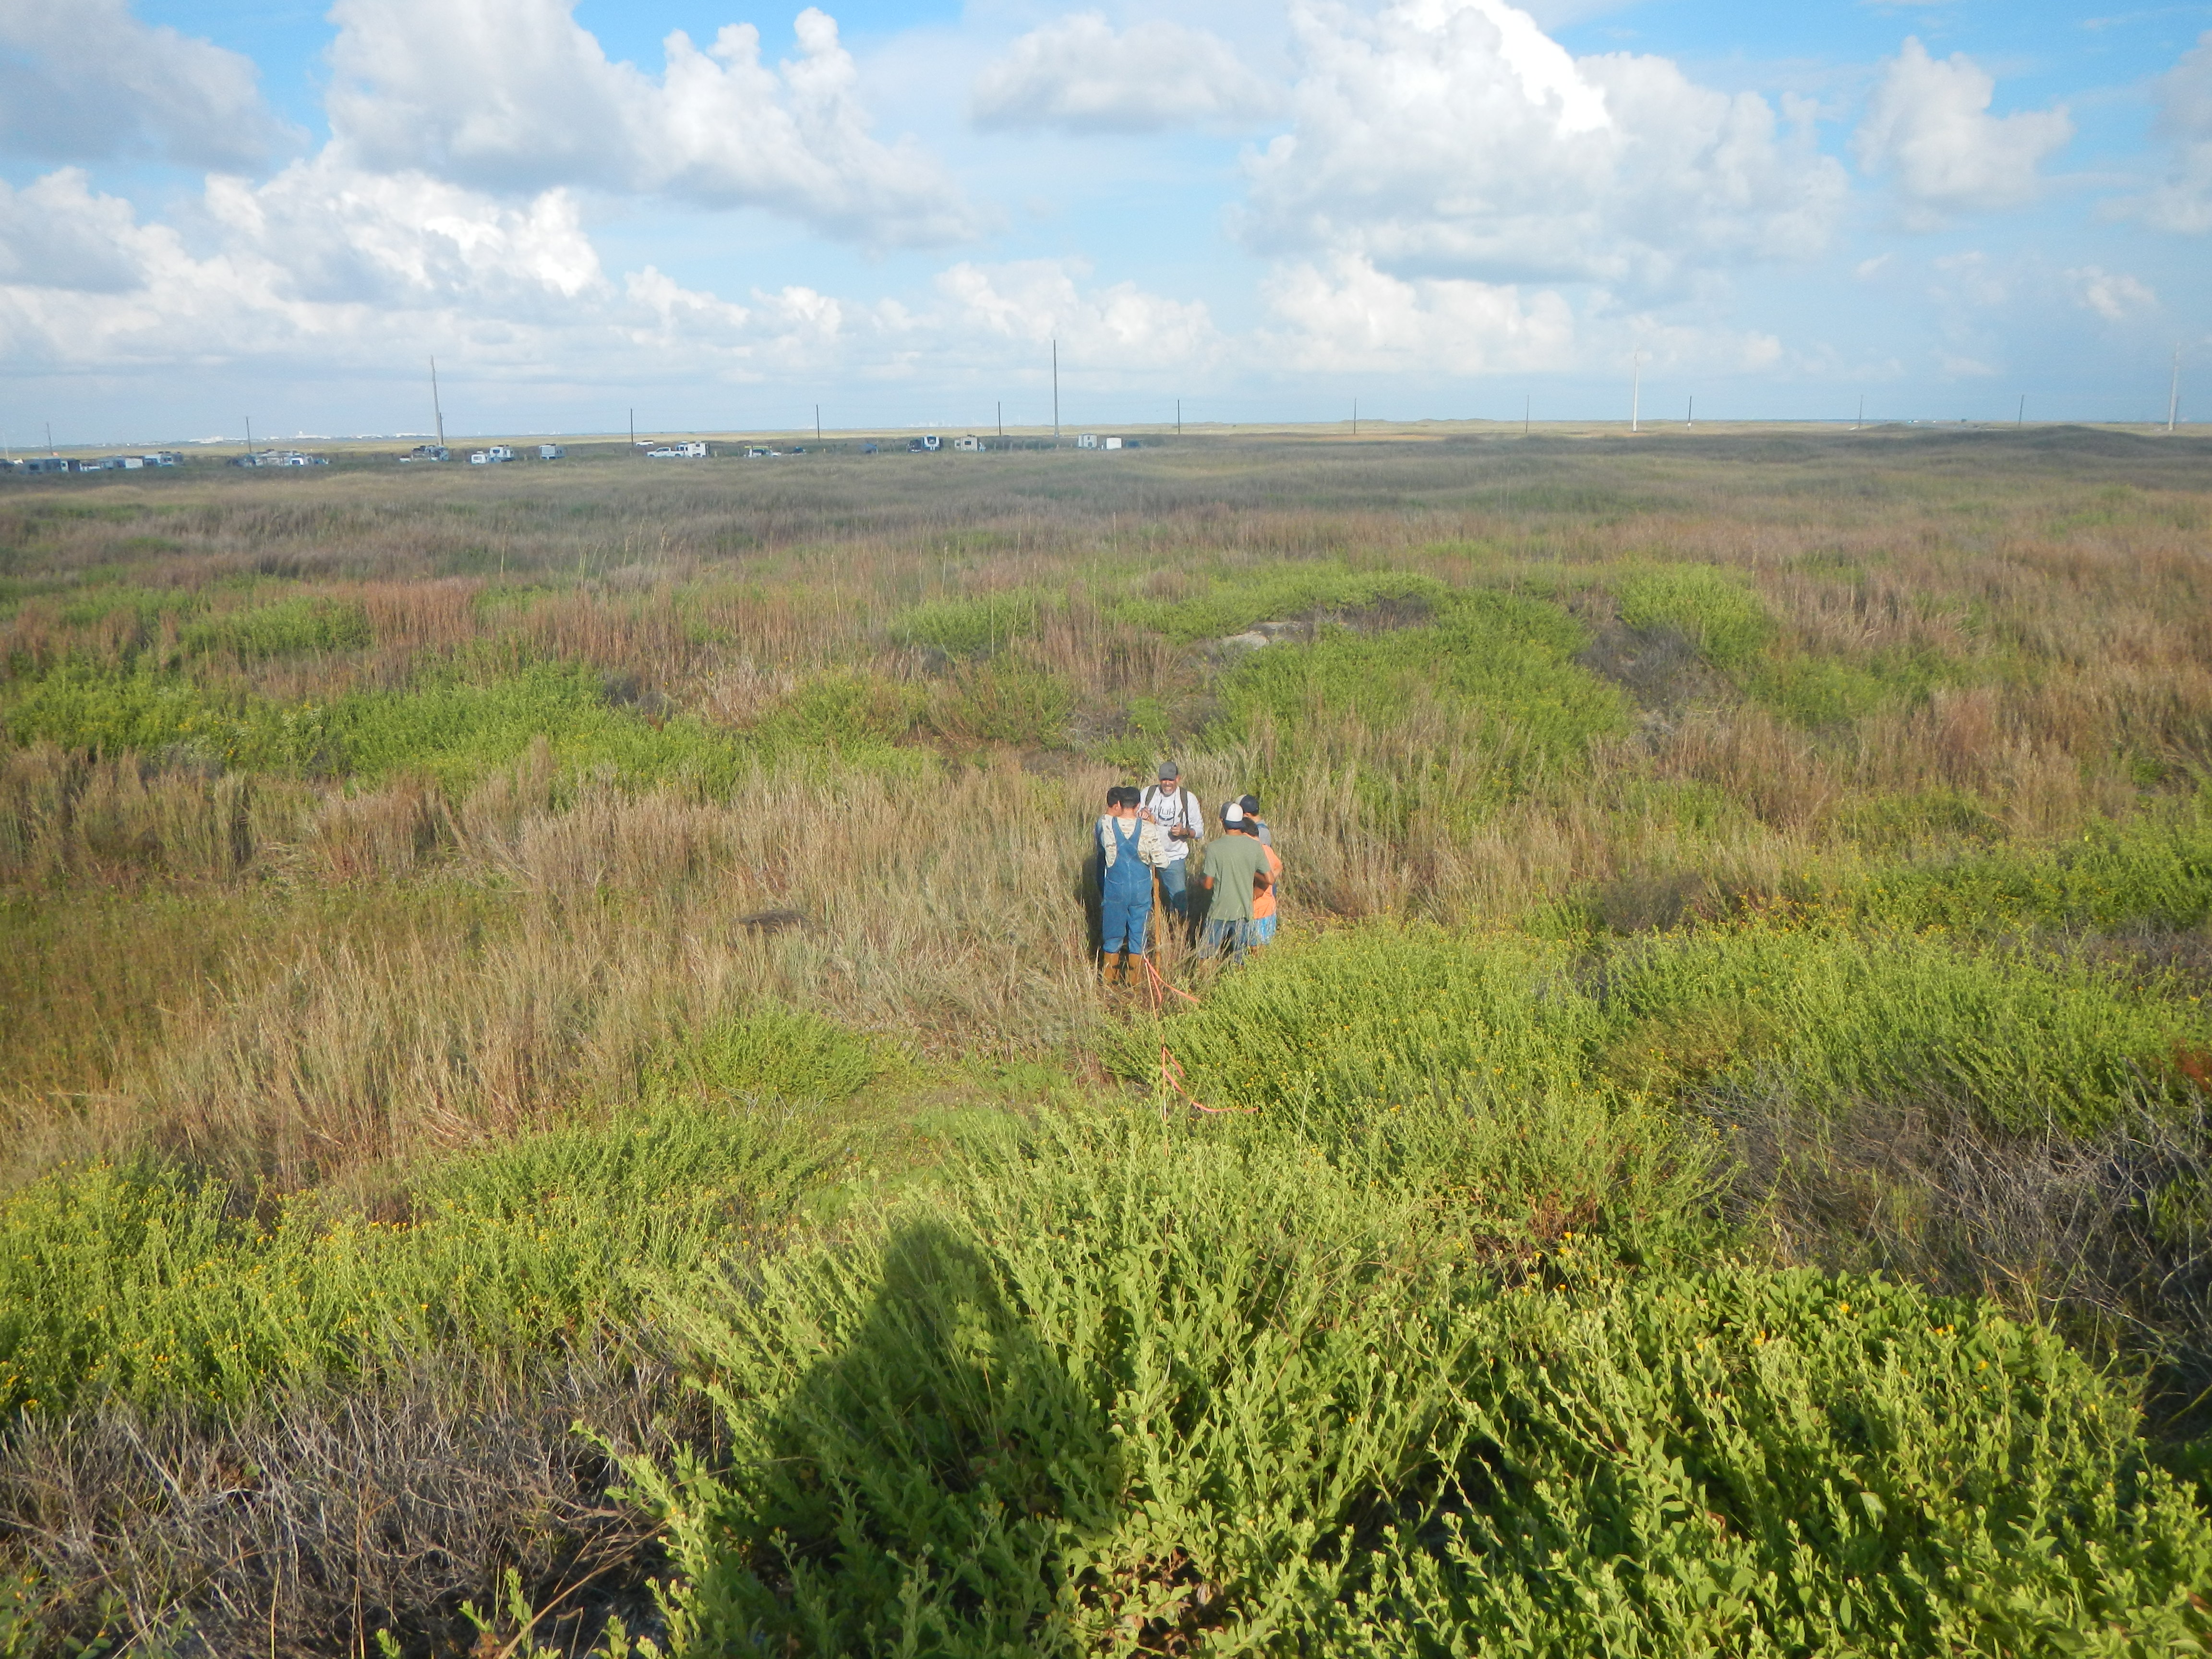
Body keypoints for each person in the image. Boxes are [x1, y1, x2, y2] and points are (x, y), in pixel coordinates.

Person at [1197, 800, 1271, 965]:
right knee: (1241, 960)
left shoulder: (1214, 848)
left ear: (1222, 821)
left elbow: (1209, 885)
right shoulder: (1254, 846)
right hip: (1244, 911)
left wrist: (1200, 881)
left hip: (1219, 912)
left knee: (1206, 957)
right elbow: (1269, 879)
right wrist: (1252, 883)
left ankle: (1203, 986)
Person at [1095, 785, 1154, 985]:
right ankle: (1133, 982)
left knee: (1112, 934)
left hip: (1115, 887)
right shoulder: (1145, 828)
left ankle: (1108, 981)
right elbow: (1161, 861)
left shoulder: (1107, 825)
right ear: (1137, 806)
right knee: (1138, 933)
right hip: (1140, 888)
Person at [1139, 762, 1205, 926]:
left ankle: (1180, 933)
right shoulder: (1148, 793)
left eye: (1170, 780)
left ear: (1178, 779)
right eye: (1163, 780)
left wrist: (1184, 832)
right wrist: (1142, 817)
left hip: (1174, 857)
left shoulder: (1188, 799)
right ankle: (1148, 931)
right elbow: (1134, 819)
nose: (1167, 783)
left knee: (1179, 901)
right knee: (1143, 900)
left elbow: (1199, 831)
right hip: (1147, 857)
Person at [1241, 794, 1283, 947]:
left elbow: (1265, 881)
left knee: (1256, 947)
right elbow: (1278, 866)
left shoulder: (1259, 850)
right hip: (1268, 907)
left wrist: (1249, 899)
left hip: (1259, 910)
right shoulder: (1265, 847)